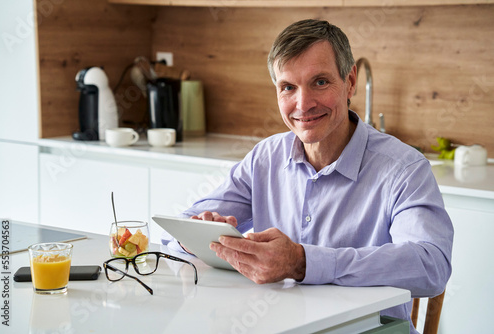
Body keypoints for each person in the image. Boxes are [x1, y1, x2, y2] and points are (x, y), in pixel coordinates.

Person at [162, 19, 453, 332]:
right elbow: (175, 231)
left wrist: (302, 262)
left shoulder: (404, 169)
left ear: (350, 81)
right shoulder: (265, 157)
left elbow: (430, 266)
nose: (303, 105)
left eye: (320, 82)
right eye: (288, 87)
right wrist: (202, 237)